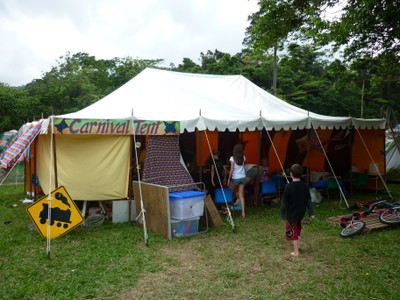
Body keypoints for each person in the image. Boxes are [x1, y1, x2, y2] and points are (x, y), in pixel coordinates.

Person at [280, 163, 315, 256]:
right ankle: (298, 246)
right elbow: (308, 200)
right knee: (298, 229)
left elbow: (284, 202)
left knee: (293, 232)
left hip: (292, 213)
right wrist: (311, 213)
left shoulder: (288, 187)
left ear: (290, 174)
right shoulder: (305, 186)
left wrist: (283, 215)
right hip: (301, 212)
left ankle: (296, 251)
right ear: (301, 174)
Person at [227, 144, 246, 218]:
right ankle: (243, 213)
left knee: (230, 193)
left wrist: (229, 179)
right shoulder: (243, 158)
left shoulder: (232, 158)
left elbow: (231, 170)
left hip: (235, 178)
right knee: (241, 196)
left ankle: (228, 209)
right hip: (243, 177)